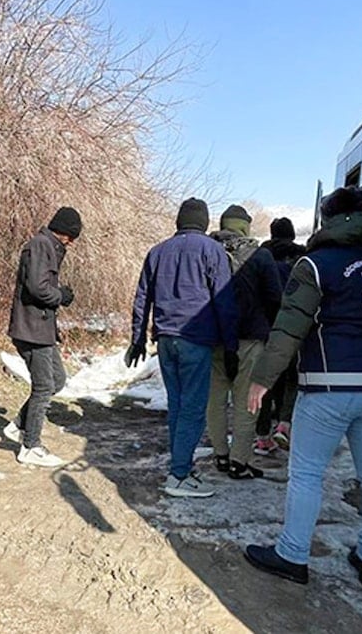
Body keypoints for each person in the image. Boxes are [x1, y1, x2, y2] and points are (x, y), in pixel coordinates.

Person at [243, 186, 362, 590]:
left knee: (306, 474)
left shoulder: (316, 265)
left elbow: (288, 328)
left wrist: (262, 379)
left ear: (328, 220)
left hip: (328, 389)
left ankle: (292, 554)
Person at [126, 198, 238, 498]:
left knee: (177, 405)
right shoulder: (213, 251)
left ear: (179, 221)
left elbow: (142, 299)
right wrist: (231, 347)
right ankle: (178, 476)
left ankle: (182, 468)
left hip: (165, 340)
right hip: (196, 339)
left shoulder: (157, 251)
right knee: (193, 409)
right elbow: (224, 302)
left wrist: (137, 339)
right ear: (204, 222)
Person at [206, 204, 281, 478]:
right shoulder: (261, 256)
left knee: (215, 401)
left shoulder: (210, 252)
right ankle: (240, 461)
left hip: (215, 340)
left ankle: (220, 455)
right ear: (245, 227)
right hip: (251, 340)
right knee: (247, 403)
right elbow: (275, 298)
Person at [3, 207, 82, 468]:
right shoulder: (41, 245)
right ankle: (30, 446)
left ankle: (19, 426)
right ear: (64, 232)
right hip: (32, 329)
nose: (71, 243)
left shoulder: (49, 246)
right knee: (44, 387)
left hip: (42, 328)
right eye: (71, 237)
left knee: (57, 380)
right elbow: (37, 288)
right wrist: (62, 296)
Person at [258, 217, 306, 449]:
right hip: (294, 327)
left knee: (266, 379)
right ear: (293, 233)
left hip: (266, 327)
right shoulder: (303, 257)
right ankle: (284, 424)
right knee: (291, 378)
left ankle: (263, 436)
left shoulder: (261, 255)